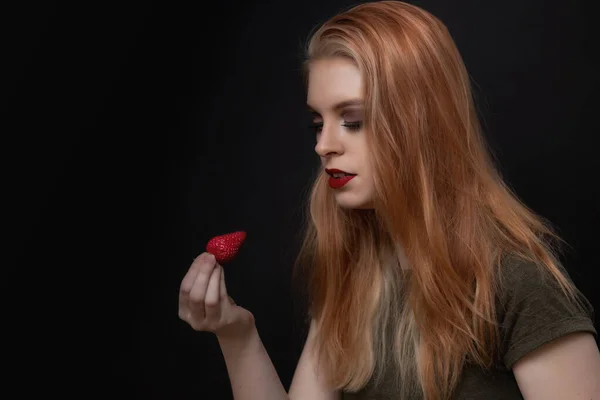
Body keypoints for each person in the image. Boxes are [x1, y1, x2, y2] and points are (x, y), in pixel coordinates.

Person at [178, 1, 600, 399]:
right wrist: (237, 336)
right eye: (316, 123)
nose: (324, 145)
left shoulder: (514, 282)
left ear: (421, 124)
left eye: (353, 121)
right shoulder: (353, 274)